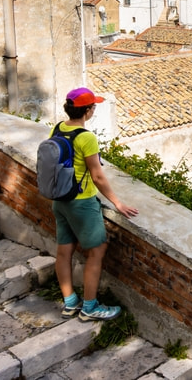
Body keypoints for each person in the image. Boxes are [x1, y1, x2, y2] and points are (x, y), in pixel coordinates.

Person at [52, 87, 139, 321]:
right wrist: (118, 203)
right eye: (93, 106)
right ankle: (89, 308)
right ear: (88, 111)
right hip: (82, 203)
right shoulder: (86, 137)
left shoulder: (58, 128)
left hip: (60, 200)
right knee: (97, 251)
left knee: (64, 251)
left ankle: (70, 302)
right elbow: (98, 176)